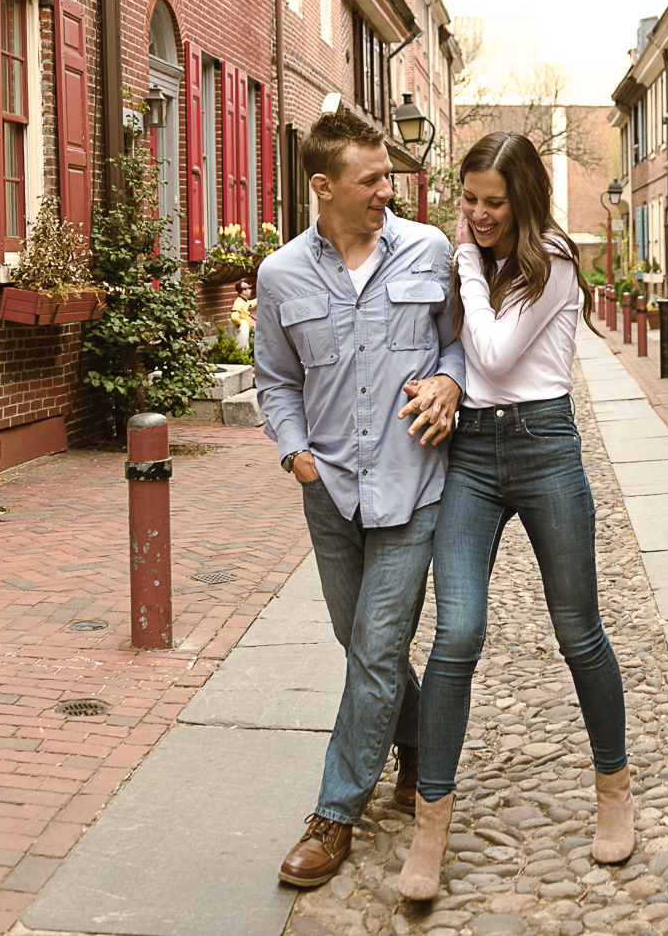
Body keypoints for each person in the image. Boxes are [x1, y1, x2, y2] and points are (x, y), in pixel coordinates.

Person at [397, 131, 632, 902]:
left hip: (543, 447)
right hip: (472, 454)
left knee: (578, 629)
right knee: (456, 631)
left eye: (492, 202)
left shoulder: (554, 260)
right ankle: (431, 822)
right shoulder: (477, 256)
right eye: (468, 200)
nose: (477, 214)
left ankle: (613, 787)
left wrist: (464, 256)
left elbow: (493, 356)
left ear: (522, 198)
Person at [253, 108, 466, 888]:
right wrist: (296, 452)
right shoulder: (279, 277)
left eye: (388, 175)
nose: (388, 189)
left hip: (414, 488)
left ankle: (333, 813)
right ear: (324, 186)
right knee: (360, 644)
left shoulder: (427, 249)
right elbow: (275, 379)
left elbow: (457, 343)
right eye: (371, 178)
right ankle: (414, 740)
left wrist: (450, 379)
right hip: (330, 493)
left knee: (376, 649)